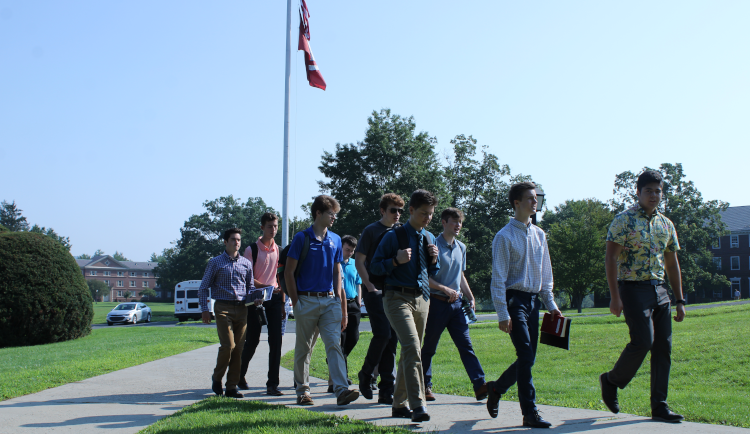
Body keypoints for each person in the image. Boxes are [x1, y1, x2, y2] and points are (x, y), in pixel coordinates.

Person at [600, 170, 686, 423]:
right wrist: (615, 297)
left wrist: (679, 300)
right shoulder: (623, 221)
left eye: (658, 191)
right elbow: (611, 259)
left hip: (660, 290)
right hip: (632, 289)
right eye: (648, 190)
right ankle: (611, 380)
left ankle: (659, 406)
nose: (653, 195)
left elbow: (672, 264)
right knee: (643, 341)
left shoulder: (666, 224)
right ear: (638, 193)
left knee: (664, 348)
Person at [486, 182, 561, 429]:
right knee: (526, 355)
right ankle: (529, 412)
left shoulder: (540, 235)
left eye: (536, 197)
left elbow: (546, 273)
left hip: (533, 302)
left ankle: (496, 388)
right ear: (517, 203)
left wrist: (550, 304)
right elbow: (498, 279)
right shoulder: (504, 237)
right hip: (513, 300)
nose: (535, 201)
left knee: (528, 358)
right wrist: (502, 313)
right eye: (530, 198)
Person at [371, 189, 440, 423]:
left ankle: (398, 405)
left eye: (430, 214)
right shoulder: (394, 236)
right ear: (411, 210)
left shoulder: (429, 238)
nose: (427, 218)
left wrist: (434, 259)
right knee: (412, 347)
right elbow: (375, 268)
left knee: (409, 353)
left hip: (422, 299)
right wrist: (394, 260)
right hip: (396, 298)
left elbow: (432, 271)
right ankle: (417, 404)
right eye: (423, 213)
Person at [286, 194, 360, 406]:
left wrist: (337, 298)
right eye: (330, 213)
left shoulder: (336, 239)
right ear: (318, 213)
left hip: (329, 302)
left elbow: (338, 270)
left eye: (335, 214)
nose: (333, 217)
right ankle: (302, 391)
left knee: (334, 345)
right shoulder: (302, 238)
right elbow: (289, 272)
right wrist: (296, 302)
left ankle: (341, 390)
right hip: (305, 301)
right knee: (304, 348)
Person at [421, 208, 487, 402]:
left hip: (457, 306)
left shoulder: (461, 247)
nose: (458, 225)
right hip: (436, 303)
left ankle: (480, 385)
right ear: (443, 222)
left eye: (460, 222)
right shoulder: (433, 245)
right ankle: (424, 385)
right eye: (454, 221)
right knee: (430, 347)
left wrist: (470, 296)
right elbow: (425, 277)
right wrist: (445, 289)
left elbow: (460, 276)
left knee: (466, 345)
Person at [355, 193, 405, 405]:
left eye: (400, 210)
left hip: (395, 291)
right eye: (393, 210)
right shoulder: (371, 230)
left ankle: (386, 390)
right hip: (375, 290)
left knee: (392, 339)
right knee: (383, 334)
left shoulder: (400, 231)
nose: (397, 214)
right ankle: (366, 373)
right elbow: (359, 261)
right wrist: (369, 286)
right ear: (382, 210)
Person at [198, 227, 254, 399]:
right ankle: (217, 377)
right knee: (228, 346)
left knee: (238, 349)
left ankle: (231, 387)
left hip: (242, 309)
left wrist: (257, 297)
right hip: (222, 308)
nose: (237, 243)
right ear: (225, 242)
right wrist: (205, 310)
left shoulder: (246, 263)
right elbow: (203, 288)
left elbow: (250, 287)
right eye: (233, 240)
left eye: (238, 240)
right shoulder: (215, 262)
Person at [238, 212, 286, 396]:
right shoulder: (252, 249)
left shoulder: (279, 250)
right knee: (252, 341)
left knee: (276, 341)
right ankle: (240, 376)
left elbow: (280, 279)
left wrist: (282, 303)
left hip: (274, 299)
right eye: (269, 226)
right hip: (256, 299)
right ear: (262, 227)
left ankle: (272, 384)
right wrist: (266, 286)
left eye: (275, 226)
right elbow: (248, 279)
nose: (273, 230)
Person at [327, 235, 362, 393]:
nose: (349, 253)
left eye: (352, 251)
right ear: (341, 248)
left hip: (353, 303)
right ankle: (340, 376)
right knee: (341, 340)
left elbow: (358, 283)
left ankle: (334, 361)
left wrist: (359, 302)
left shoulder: (355, 264)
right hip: (339, 304)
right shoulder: (335, 264)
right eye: (347, 249)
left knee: (354, 337)